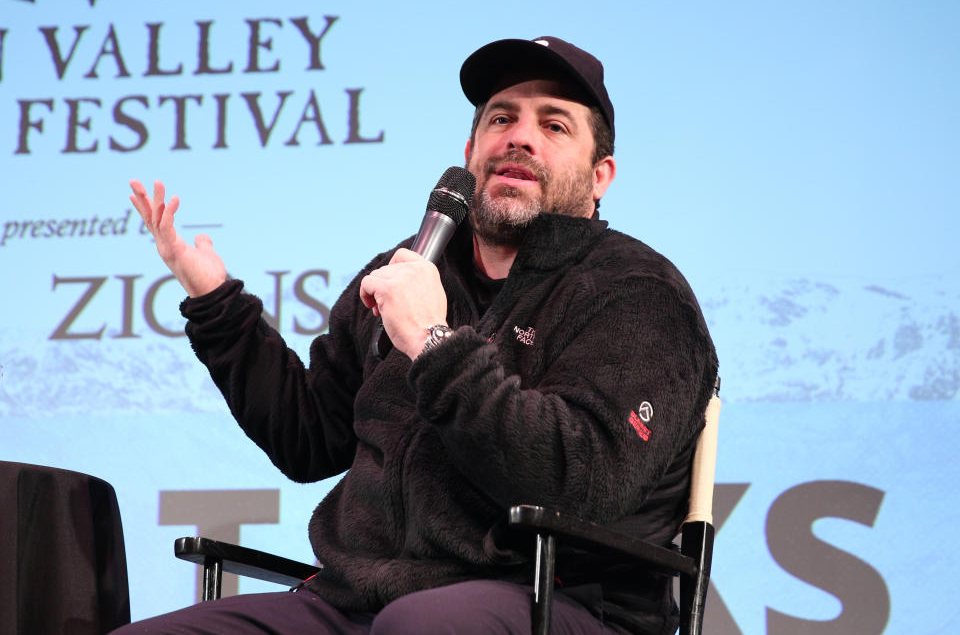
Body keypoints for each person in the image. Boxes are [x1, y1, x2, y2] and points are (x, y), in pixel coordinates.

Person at [116, 36, 718, 635]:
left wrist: (434, 343)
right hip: (357, 603)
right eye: (501, 119)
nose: (520, 137)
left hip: (555, 600)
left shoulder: (637, 293)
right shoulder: (411, 267)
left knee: (420, 625)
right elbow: (309, 440)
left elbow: (574, 484)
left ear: (600, 176)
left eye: (555, 126)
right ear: (470, 150)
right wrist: (218, 305)